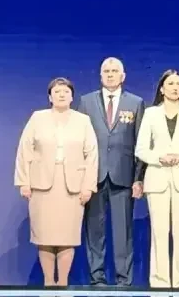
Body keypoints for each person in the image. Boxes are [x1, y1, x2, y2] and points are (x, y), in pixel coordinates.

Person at [14, 77, 99, 287]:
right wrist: (24, 182)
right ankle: (48, 282)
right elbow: (24, 150)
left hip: (73, 187)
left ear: (72, 97)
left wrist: (88, 186)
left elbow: (92, 155)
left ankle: (62, 283)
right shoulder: (37, 118)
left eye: (66, 92)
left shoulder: (83, 121)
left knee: (67, 236)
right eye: (57, 91)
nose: (61, 95)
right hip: (42, 185)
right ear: (50, 97)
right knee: (44, 236)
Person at [79, 57, 145, 286]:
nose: (110, 74)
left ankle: (123, 279)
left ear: (123, 76)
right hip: (93, 177)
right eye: (106, 71)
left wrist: (138, 178)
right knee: (94, 231)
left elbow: (140, 144)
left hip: (123, 177)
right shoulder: (86, 102)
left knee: (123, 231)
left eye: (114, 71)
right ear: (100, 76)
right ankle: (96, 278)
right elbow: (79, 142)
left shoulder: (136, 103)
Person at [135, 70, 179, 288]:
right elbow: (141, 149)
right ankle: (160, 284)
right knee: (159, 233)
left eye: (178, 84)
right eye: (171, 83)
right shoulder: (151, 114)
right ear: (162, 88)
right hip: (157, 179)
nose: (175, 87)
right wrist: (159, 158)